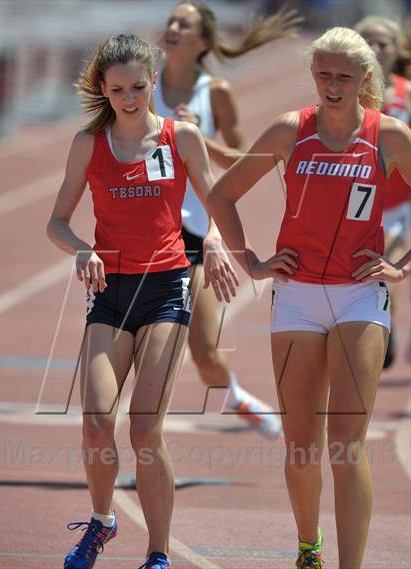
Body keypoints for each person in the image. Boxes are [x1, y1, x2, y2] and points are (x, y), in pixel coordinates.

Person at [207, 27, 411, 569]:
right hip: (296, 296)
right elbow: (223, 193)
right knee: (302, 448)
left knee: (345, 441)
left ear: (366, 78)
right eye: (323, 74)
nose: (332, 85)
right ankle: (307, 548)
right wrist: (249, 259)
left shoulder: (388, 135)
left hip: (359, 297)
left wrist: (402, 264)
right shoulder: (291, 130)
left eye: (344, 76)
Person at [47, 34, 235, 569]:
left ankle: (157, 551)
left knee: (146, 426)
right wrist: (83, 250)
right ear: (103, 91)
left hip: (167, 284)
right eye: (117, 89)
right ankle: (103, 522)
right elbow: (56, 222)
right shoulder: (89, 143)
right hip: (110, 292)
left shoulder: (182, 137)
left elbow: (215, 201)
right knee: (95, 423)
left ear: (153, 82)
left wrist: (216, 240)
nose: (129, 98)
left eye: (137, 86)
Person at [154, 0, 299, 437]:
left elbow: (244, 159)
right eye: (171, 21)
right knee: (143, 343)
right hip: (144, 224)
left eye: (185, 24)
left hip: (194, 229)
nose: (173, 27)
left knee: (203, 351)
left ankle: (234, 396)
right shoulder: (140, 84)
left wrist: (197, 136)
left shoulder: (214, 91)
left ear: (203, 42)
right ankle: (141, 436)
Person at [355, 16, 411, 367]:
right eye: (368, 42)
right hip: (367, 198)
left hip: (405, 197)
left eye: (383, 44)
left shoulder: (407, 94)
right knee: (376, 266)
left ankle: (385, 329)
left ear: (396, 50)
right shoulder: (348, 95)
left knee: (391, 262)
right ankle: (383, 327)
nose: (375, 50)